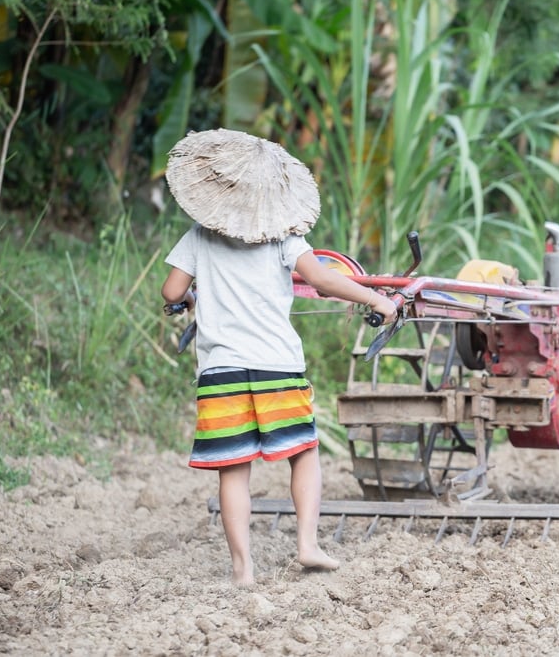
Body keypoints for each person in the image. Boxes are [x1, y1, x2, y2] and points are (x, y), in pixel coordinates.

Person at [161, 224, 397, 586]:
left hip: (221, 369)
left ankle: (243, 569)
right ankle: (307, 545)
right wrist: (376, 300)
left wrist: (191, 297)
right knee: (303, 453)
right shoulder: (281, 233)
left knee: (233, 468)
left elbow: (172, 290)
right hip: (277, 365)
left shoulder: (200, 233)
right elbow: (320, 278)